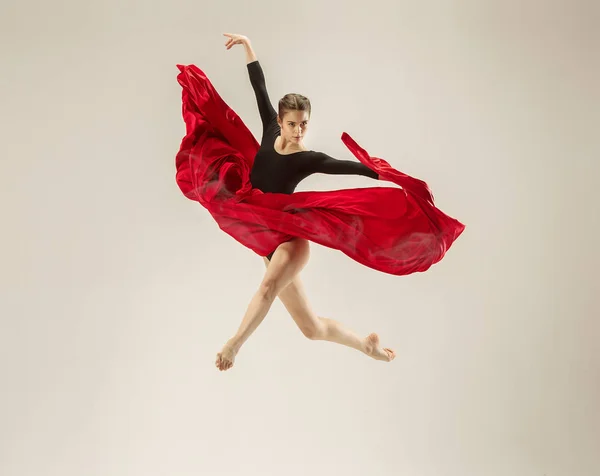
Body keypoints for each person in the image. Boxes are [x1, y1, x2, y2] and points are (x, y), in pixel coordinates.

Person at [215, 33, 396, 371]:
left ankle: (233, 344)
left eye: (304, 125)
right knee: (311, 329)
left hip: (289, 242)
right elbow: (259, 87)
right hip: (266, 241)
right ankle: (366, 346)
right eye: (292, 124)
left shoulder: (306, 158)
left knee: (267, 287)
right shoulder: (270, 129)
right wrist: (248, 45)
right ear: (280, 122)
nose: (299, 131)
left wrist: (382, 174)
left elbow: (343, 167)